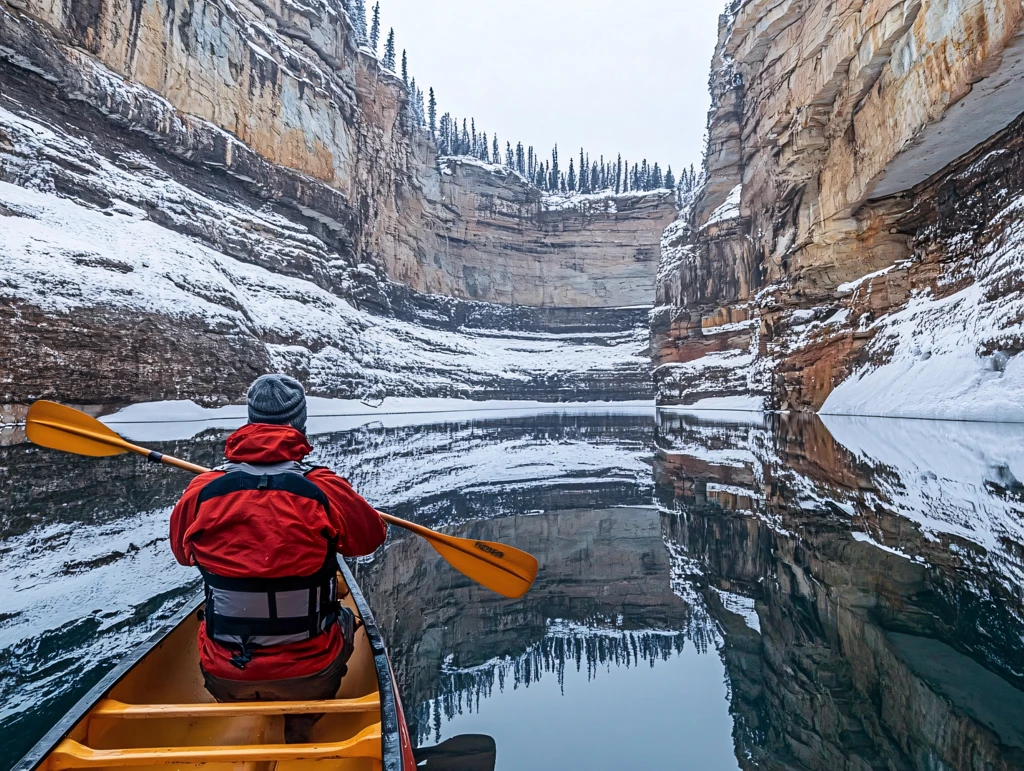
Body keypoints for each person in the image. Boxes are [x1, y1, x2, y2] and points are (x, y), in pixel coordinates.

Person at [170, 374, 387, 742]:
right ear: (299, 423)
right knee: (348, 618)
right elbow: (368, 540)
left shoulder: (202, 490)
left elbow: (183, 555)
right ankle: (301, 726)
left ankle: (246, 712)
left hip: (224, 674)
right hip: (310, 674)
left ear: (250, 420)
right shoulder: (324, 487)